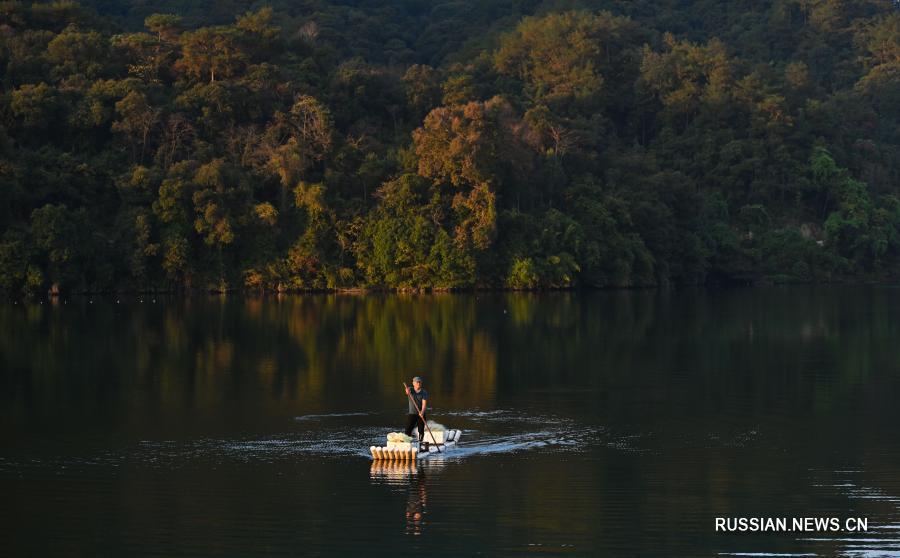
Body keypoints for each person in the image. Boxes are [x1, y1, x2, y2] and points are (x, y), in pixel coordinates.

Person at [404, 376, 428, 442]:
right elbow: (407, 392)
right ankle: (407, 443)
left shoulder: (424, 392)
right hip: (412, 414)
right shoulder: (410, 390)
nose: (418, 383)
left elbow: (424, 404)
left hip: (421, 414)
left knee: (421, 430)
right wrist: (407, 391)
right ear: (413, 383)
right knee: (408, 430)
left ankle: (420, 442)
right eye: (417, 382)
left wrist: (422, 412)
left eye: (419, 382)